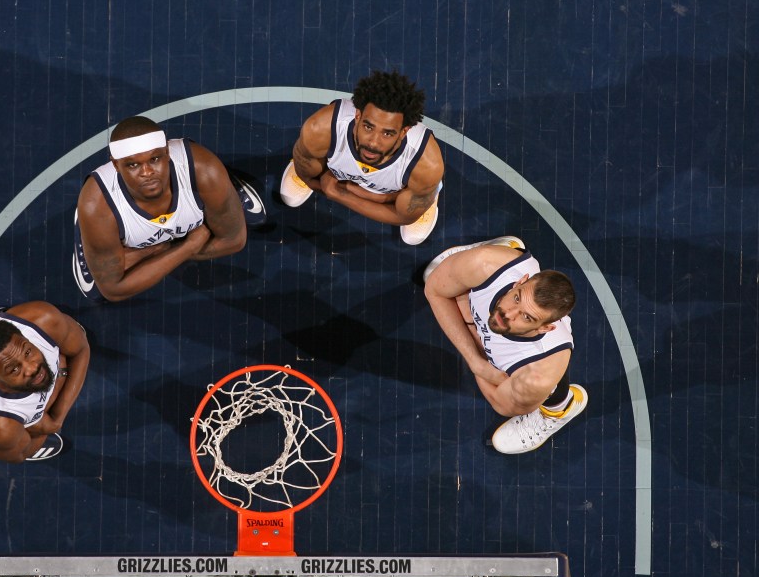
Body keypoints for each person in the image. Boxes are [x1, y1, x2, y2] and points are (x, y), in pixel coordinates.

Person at [423, 236, 588, 454]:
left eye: (526, 317)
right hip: (495, 266)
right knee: (446, 274)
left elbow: (499, 402)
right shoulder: (486, 264)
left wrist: (463, 305)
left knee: (544, 392)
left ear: (544, 328)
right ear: (521, 281)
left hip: (536, 369)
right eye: (517, 298)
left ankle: (560, 409)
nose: (507, 314)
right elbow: (434, 290)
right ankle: (507, 249)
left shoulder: (536, 374)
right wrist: (476, 359)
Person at [73, 116, 260, 301]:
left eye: (154, 159)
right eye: (133, 165)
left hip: (203, 182)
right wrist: (187, 246)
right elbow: (113, 290)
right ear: (116, 165)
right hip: (112, 221)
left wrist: (142, 257)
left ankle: (226, 186)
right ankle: (85, 232)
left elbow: (234, 241)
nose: (147, 172)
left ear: (167, 151)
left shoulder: (202, 169)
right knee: (97, 292)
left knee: (237, 207)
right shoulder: (97, 206)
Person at [279, 70, 445, 245]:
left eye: (387, 133)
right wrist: (385, 200)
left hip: (369, 185)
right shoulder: (320, 129)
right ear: (357, 116)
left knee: (413, 212)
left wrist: (341, 194)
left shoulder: (426, 164)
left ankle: (427, 198)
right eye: (368, 127)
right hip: (374, 186)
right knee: (309, 166)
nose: (373, 142)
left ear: (404, 131)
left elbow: (402, 216)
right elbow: (307, 175)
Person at [0, 301, 90, 463]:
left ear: (24, 336)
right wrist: (38, 425)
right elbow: (21, 455)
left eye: (28, 351)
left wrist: (56, 418)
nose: (32, 368)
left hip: (19, 415)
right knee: (5, 440)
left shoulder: (42, 320)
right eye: (14, 369)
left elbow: (81, 349)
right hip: (2, 422)